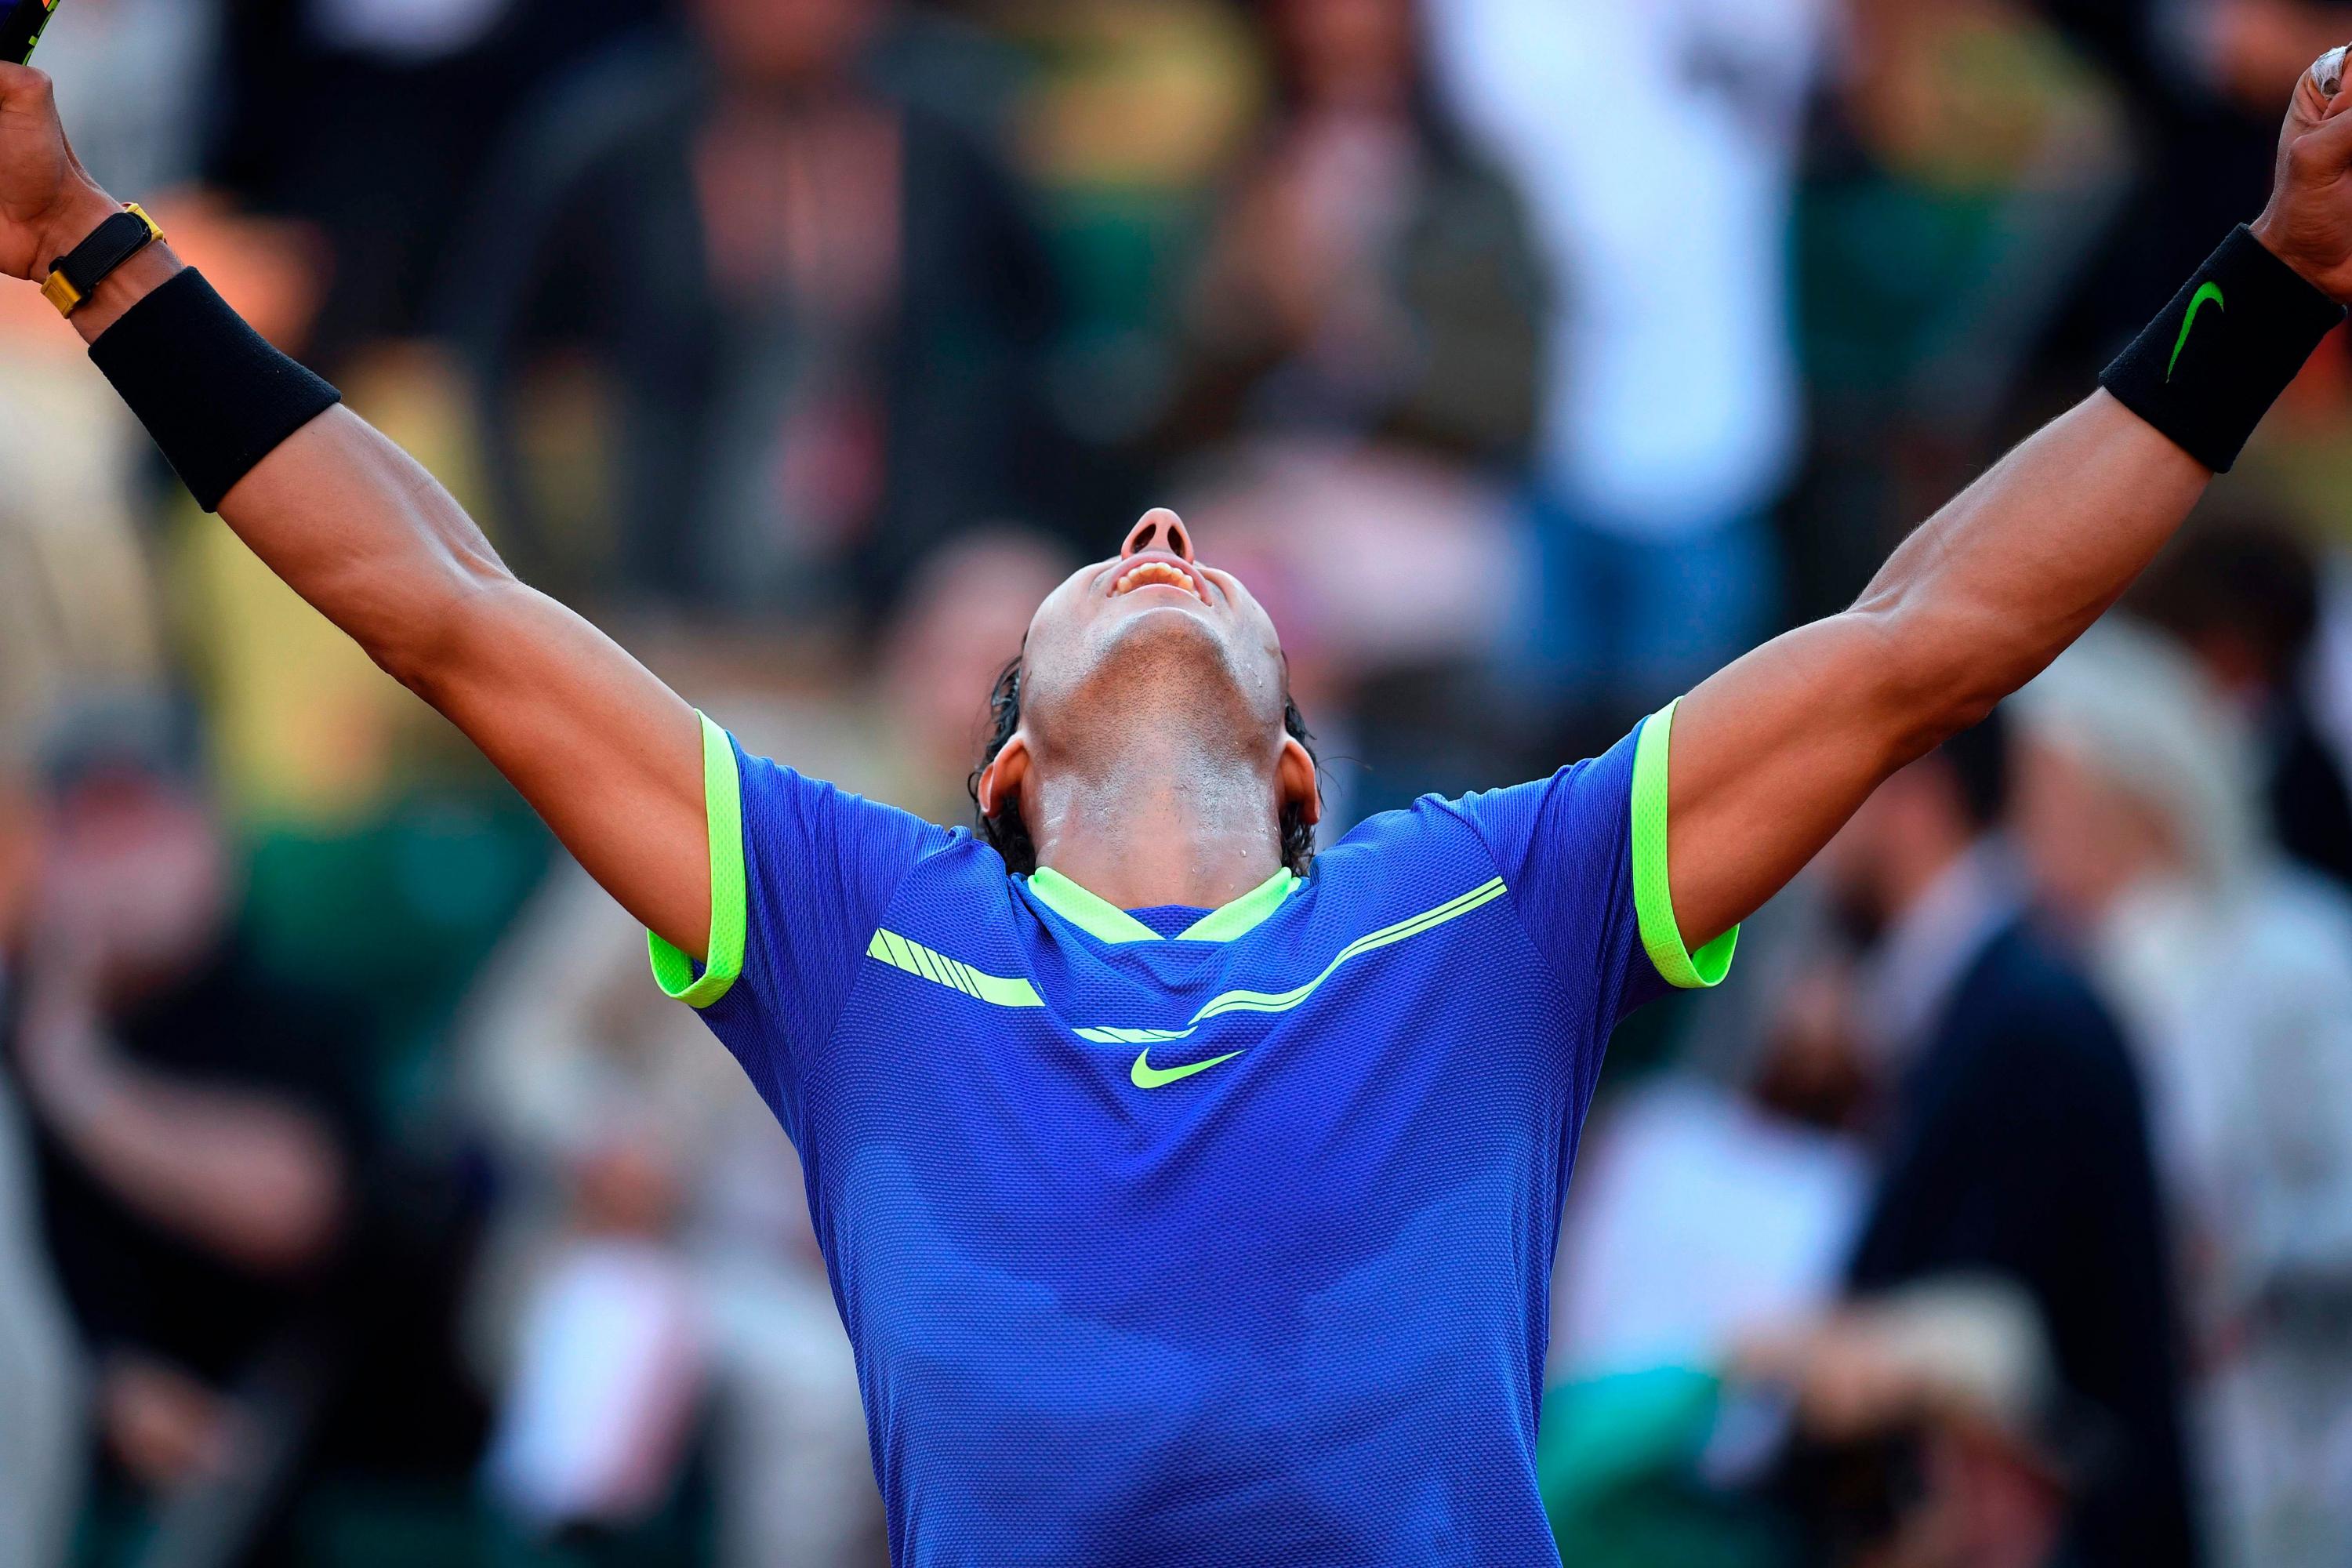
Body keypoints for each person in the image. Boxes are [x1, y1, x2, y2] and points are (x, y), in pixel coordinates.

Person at [7, 47, 2352, 1566]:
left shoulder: (1493, 905)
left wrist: (2273, 274)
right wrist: (86, 241)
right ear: (1002, 774)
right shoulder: (853, 929)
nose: (1156, 532)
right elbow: (438, 602)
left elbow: (1931, 631)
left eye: (1194, 551)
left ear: (1302, 772)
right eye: (1107, 555)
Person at [1816, 713, 2196, 1566]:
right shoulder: (1981, 1000)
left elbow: (2006, 1354)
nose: (1801, 832)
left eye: (1821, 785)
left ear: (1915, 792)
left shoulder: (2028, 1019)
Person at [2011, 621, 2352, 1568]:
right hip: (2112, 1473)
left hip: (2290, 1470)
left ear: (2130, 791)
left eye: (2043, 787)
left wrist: (2242, 1252)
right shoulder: (2047, 980)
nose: (2025, 823)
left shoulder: (2292, 954)